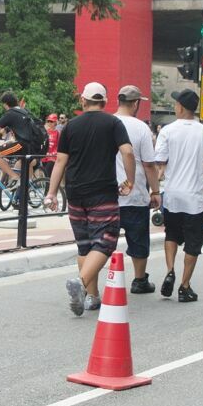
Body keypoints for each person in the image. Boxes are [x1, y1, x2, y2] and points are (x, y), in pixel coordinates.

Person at [44, 82, 135, 315]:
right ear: (104, 102)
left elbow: (61, 161)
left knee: (85, 245)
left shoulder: (70, 127)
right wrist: (130, 180)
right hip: (102, 192)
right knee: (105, 241)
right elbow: (127, 152)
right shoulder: (114, 123)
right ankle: (80, 283)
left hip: (75, 193)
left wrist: (51, 193)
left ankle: (92, 297)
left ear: (83, 101)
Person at [154, 90, 203, 302]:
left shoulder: (167, 130)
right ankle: (184, 286)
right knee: (194, 243)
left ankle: (170, 270)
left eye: (175, 103)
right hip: (194, 198)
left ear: (181, 107)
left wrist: (156, 186)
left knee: (171, 234)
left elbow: (160, 162)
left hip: (172, 195)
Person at [111, 85, 163, 293]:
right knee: (138, 239)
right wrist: (156, 191)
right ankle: (139, 280)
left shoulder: (108, 123)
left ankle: (96, 283)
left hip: (109, 195)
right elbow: (149, 164)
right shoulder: (141, 128)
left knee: (104, 241)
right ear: (135, 103)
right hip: (135, 194)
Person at [0, 91, 43, 195]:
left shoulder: (10, 114)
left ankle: (14, 177)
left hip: (22, 145)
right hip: (33, 146)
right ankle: (21, 198)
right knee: (21, 171)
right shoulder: (23, 111)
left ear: (5, 104)